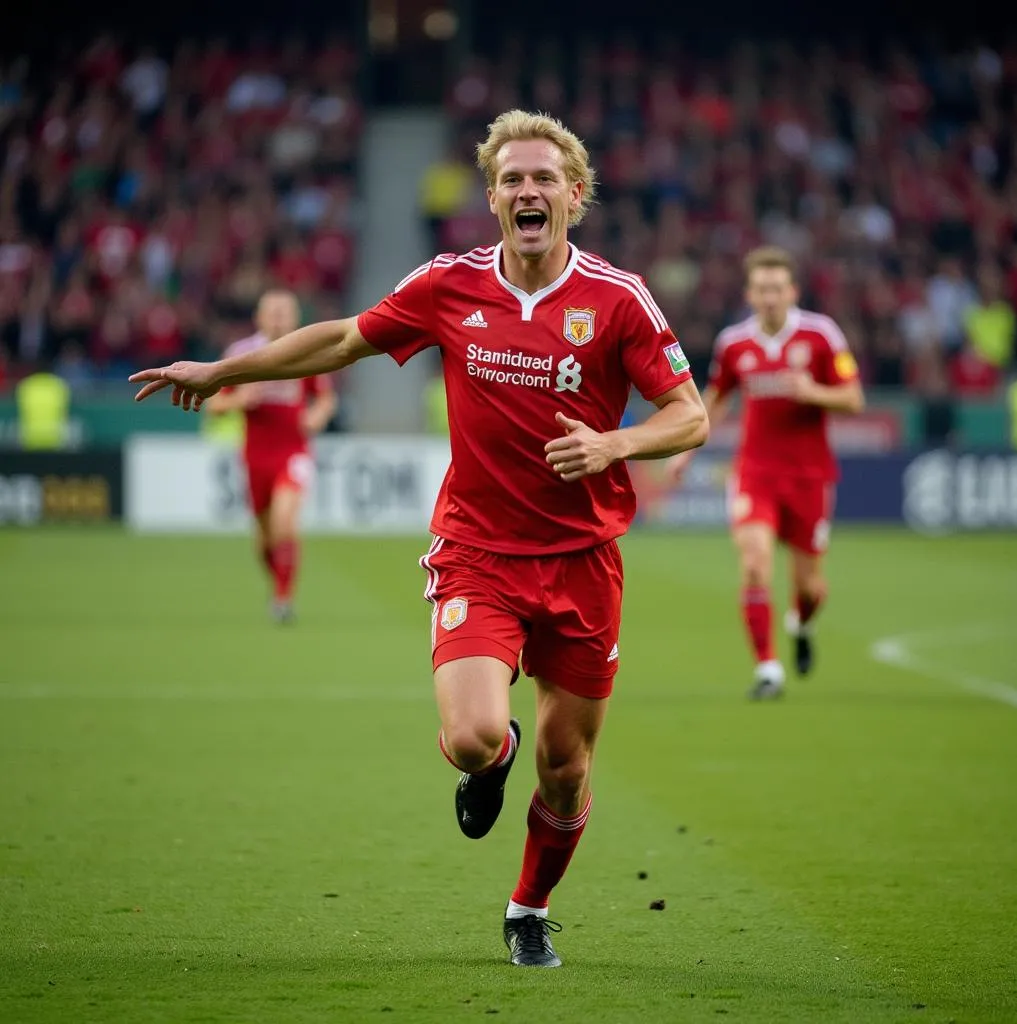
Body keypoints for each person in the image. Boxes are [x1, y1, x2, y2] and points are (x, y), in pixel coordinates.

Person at [130, 110, 709, 967]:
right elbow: (342, 339)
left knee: (568, 769)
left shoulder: (617, 300)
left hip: (585, 562)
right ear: (491, 196)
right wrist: (223, 370)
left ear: (574, 196)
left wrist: (614, 444)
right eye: (512, 178)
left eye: (544, 178)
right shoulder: (449, 284)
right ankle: (493, 756)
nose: (528, 190)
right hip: (478, 550)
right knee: (475, 738)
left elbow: (690, 416)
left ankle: (527, 908)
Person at [667, 247, 864, 700]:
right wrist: (686, 449)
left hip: (809, 475)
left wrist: (813, 390)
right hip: (755, 471)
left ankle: (801, 622)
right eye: (762, 289)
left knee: (811, 587)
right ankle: (768, 669)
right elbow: (715, 398)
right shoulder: (734, 343)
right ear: (750, 294)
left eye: (778, 288)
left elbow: (854, 399)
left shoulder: (821, 336)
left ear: (792, 291)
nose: (770, 297)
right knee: (755, 565)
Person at [202, 290, 337, 623]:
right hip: (255, 456)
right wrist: (239, 401)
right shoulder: (241, 354)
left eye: (284, 312)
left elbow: (325, 398)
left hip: (293, 451)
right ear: (259, 318)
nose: (278, 318)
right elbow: (214, 405)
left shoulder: (307, 351)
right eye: (272, 312)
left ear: (295, 318)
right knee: (264, 539)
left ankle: (283, 598)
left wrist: (316, 417)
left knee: (284, 522)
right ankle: (278, 582)